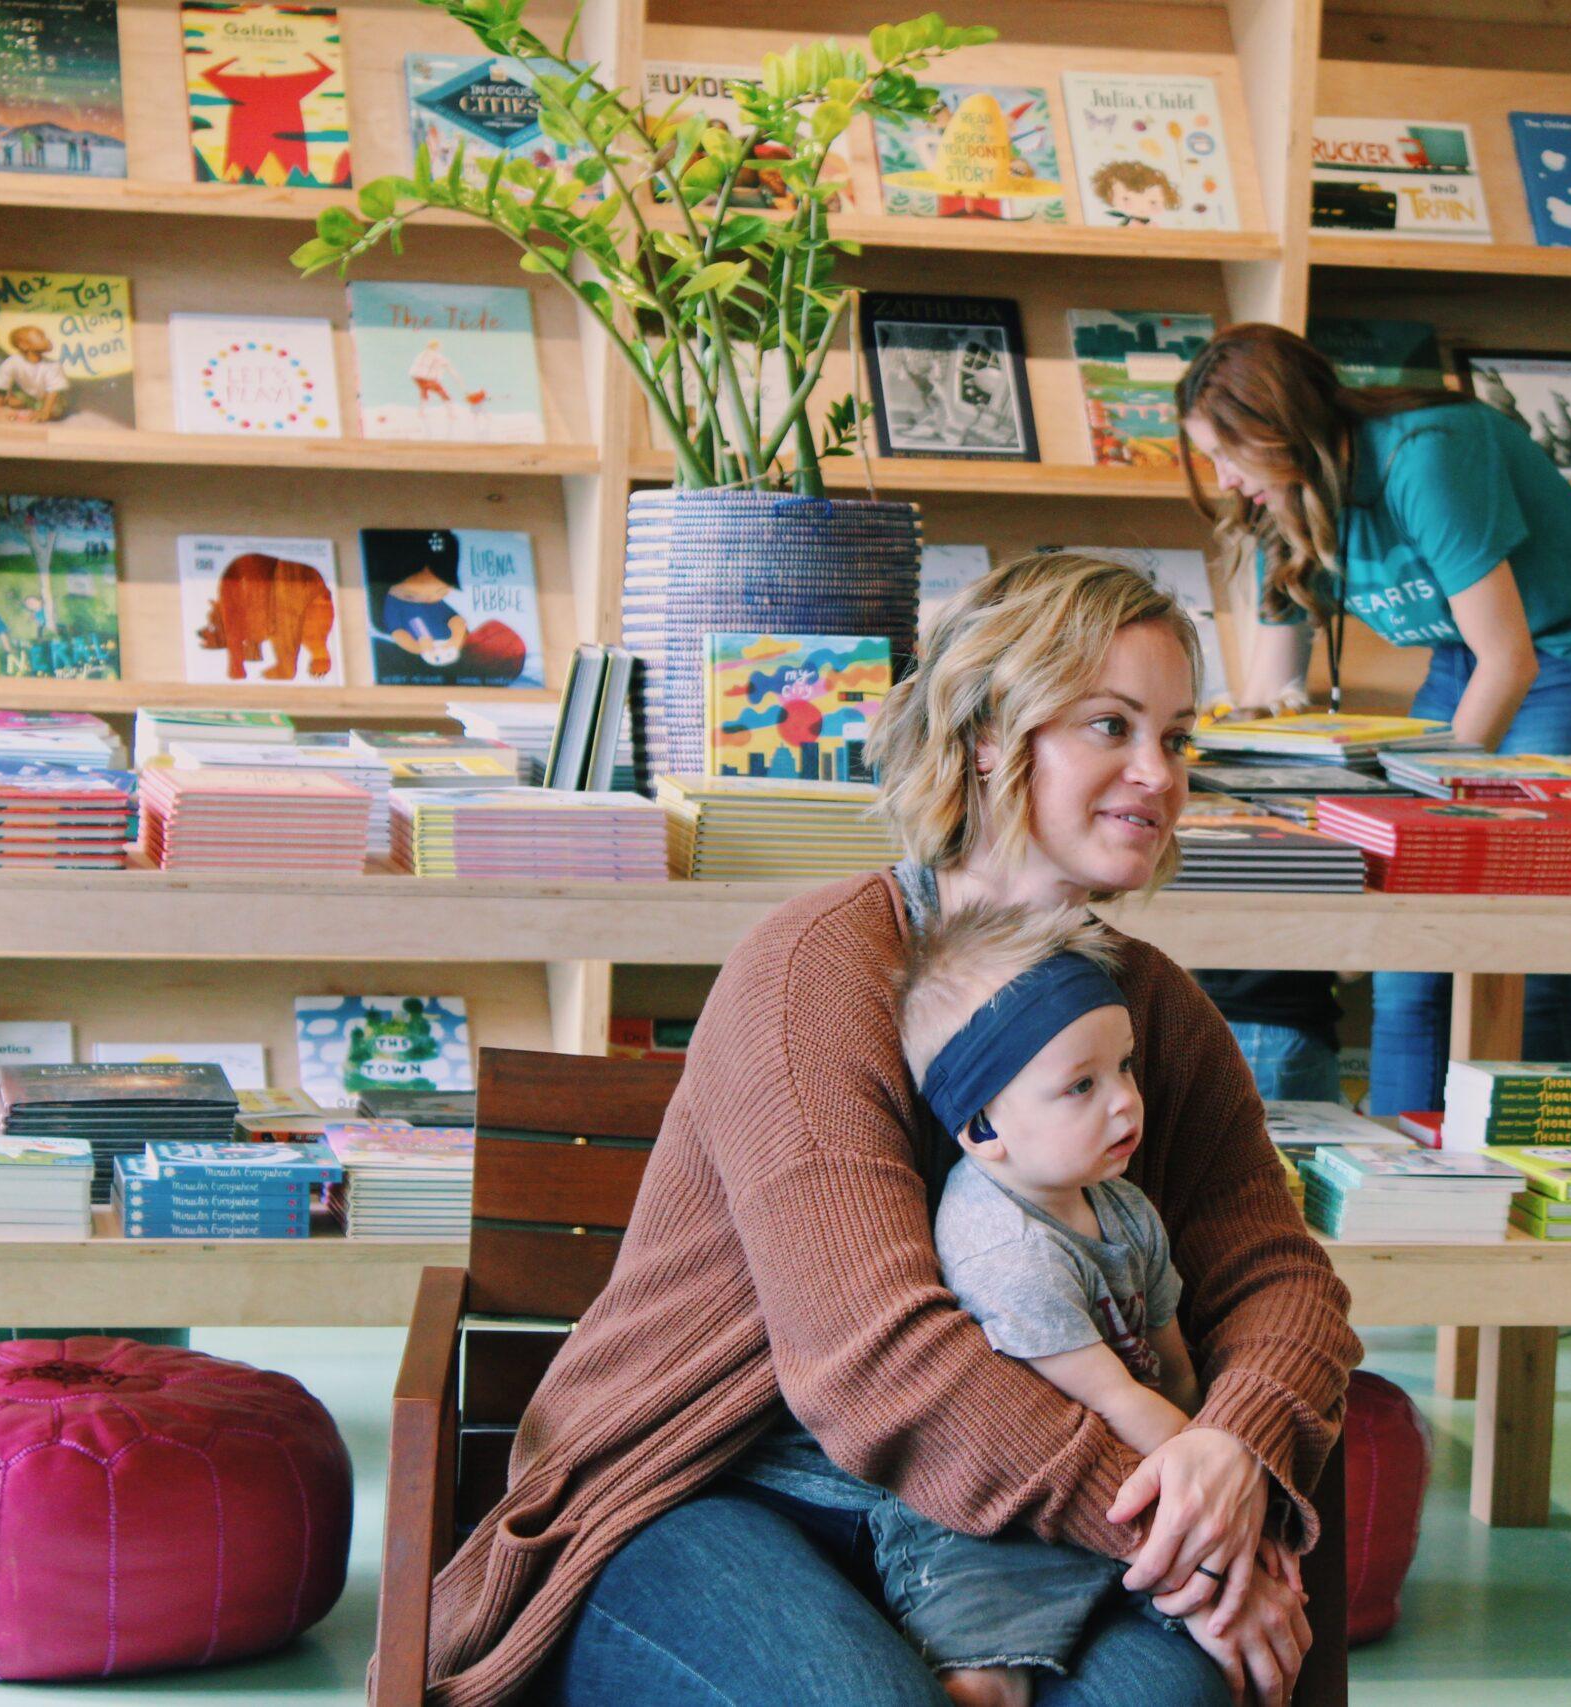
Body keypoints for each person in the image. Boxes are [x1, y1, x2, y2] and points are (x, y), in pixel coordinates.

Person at [413, 552, 1358, 1707]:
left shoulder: (1156, 1008)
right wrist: (1190, 1540)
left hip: (1027, 1534)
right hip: (721, 1490)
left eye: (1176, 735)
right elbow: (874, 1358)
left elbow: (1279, 1279)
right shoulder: (816, 971)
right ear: (984, 737)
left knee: (1167, 1699)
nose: (1158, 774)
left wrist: (1235, 1450)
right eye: (1109, 726)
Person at [1175, 323, 1571, 1115]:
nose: (1224, 478)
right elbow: (1270, 689)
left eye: (1230, 453)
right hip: (1464, 663)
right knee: (1404, 956)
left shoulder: (1425, 455)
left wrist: (1415, 818)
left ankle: (1557, 1167)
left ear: (1281, 425)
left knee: (1524, 953)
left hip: (1569, 659)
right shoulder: (1277, 497)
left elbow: (1512, 660)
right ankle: (1400, 1174)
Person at [881, 901, 1211, 1706]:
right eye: (1081, 1085)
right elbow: (1120, 1399)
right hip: (986, 1517)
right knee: (988, 1673)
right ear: (984, 1127)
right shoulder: (1005, 1248)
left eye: (1124, 1067)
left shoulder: (1121, 1204)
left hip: (1111, 1486)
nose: (1125, 1101)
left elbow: (1172, 1366)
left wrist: (1214, 1442)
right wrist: (1214, 1488)